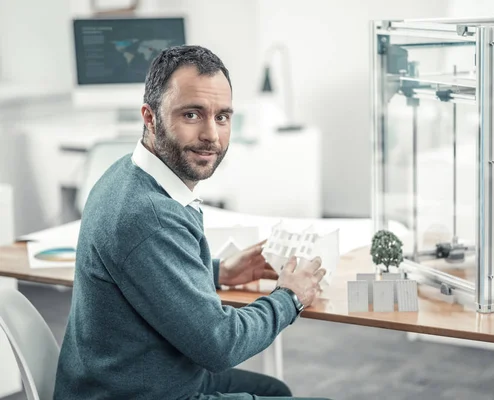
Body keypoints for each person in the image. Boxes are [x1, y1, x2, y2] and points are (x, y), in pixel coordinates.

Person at [54, 45, 330, 400]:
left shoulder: (127, 172)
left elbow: (147, 274)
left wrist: (218, 272)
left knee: (274, 389)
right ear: (150, 117)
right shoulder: (149, 216)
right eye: (192, 115)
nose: (212, 135)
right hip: (136, 393)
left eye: (222, 117)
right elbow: (220, 345)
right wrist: (291, 297)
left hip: (138, 379)